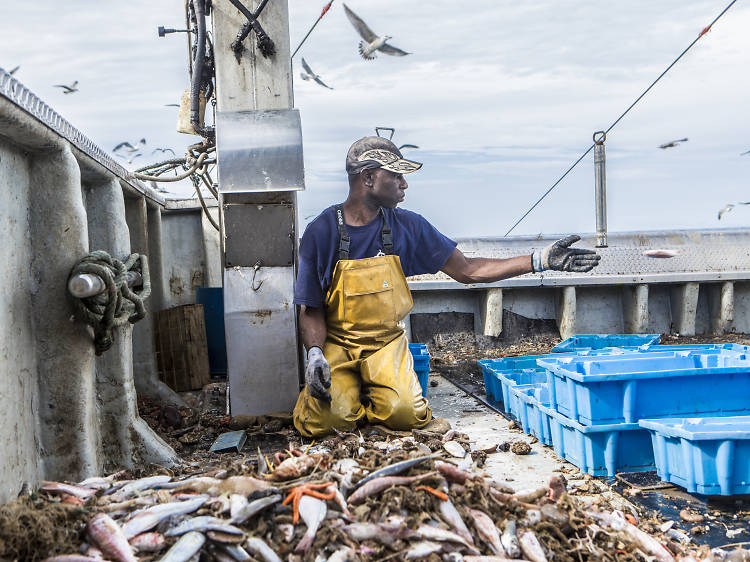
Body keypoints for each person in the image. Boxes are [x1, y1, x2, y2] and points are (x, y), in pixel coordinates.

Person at [292, 136, 601, 437]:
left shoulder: (408, 226)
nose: (404, 183)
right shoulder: (322, 231)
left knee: (405, 413)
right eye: (396, 174)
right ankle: (352, 400)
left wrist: (540, 259)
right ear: (369, 177)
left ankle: (371, 402)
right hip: (338, 343)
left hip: (385, 345)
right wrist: (316, 354)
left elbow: (468, 270)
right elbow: (311, 308)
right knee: (324, 421)